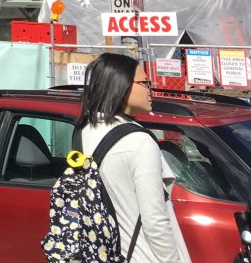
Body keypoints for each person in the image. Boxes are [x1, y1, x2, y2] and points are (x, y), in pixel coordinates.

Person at [77, 53, 191, 263]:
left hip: (104, 254)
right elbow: (155, 220)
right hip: (144, 256)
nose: (150, 89)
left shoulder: (84, 131)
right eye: (144, 83)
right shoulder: (139, 142)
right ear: (120, 86)